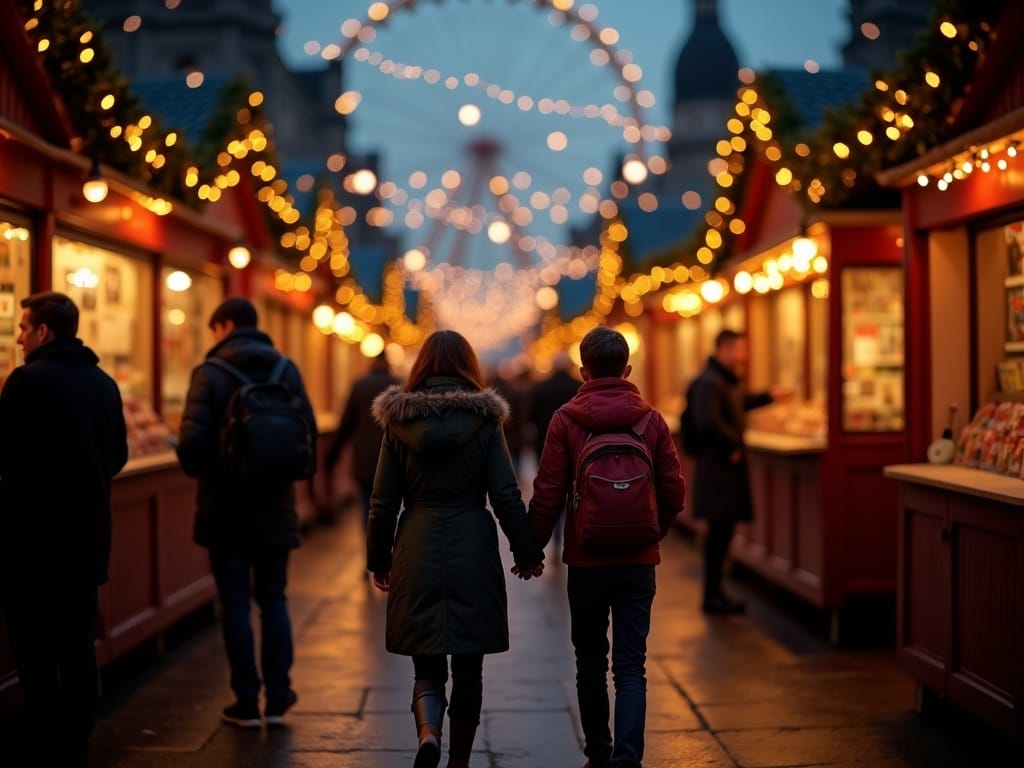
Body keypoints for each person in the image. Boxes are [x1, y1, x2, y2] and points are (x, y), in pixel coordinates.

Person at [367, 330, 545, 768]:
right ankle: (459, 762)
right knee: (470, 666)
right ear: (469, 366)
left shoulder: (397, 423)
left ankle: (429, 732)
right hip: (472, 544)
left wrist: (378, 559)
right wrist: (527, 553)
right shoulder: (485, 422)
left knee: (426, 661)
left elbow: (382, 501)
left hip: (416, 541)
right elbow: (505, 493)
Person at [527, 326, 685, 768]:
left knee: (590, 662)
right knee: (632, 666)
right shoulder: (650, 420)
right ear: (628, 369)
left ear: (583, 371)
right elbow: (674, 487)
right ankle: (627, 760)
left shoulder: (566, 420)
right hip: (638, 560)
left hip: (587, 559)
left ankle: (598, 753)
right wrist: (655, 530)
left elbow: (549, 491)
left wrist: (532, 548)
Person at [0, 292, 128, 766]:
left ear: (42, 332)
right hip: (86, 537)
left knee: (33, 651)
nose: (17, 337)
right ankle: (76, 742)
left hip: (30, 541)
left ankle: (43, 740)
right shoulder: (103, 383)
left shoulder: (26, 382)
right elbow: (117, 457)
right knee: (77, 646)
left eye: (22, 327)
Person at [176, 297, 316, 728]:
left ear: (225, 326)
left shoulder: (209, 374)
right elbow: (306, 433)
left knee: (235, 602)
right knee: (273, 598)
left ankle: (245, 700)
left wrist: (218, 468)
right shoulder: (285, 370)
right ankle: (278, 696)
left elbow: (192, 449)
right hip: (276, 505)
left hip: (226, 509)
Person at [687, 329, 788, 614]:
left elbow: (740, 403)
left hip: (723, 471)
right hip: (718, 472)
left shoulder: (722, 381)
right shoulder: (710, 382)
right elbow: (707, 421)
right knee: (718, 534)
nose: (745, 355)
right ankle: (712, 596)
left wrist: (770, 395)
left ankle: (716, 593)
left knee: (722, 533)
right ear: (725, 349)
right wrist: (732, 444)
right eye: (741, 349)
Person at [324, 350, 400, 526]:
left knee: (367, 503)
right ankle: (389, 544)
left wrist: (332, 454)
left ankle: (370, 544)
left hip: (364, 459)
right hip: (392, 459)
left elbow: (346, 424)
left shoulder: (360, 385)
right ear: (388, 363)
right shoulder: (397, 385)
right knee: (391, 505)